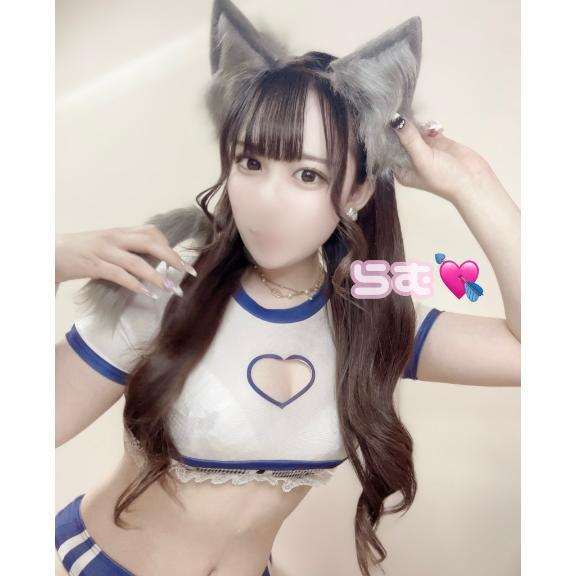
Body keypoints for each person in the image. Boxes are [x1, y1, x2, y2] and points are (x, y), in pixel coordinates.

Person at [55, 0, 521, 575]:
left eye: (307, 174)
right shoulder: (169, 285)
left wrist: (473, 183)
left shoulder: (371, 319)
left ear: (357, 192)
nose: (267, 202)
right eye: (251, 163)